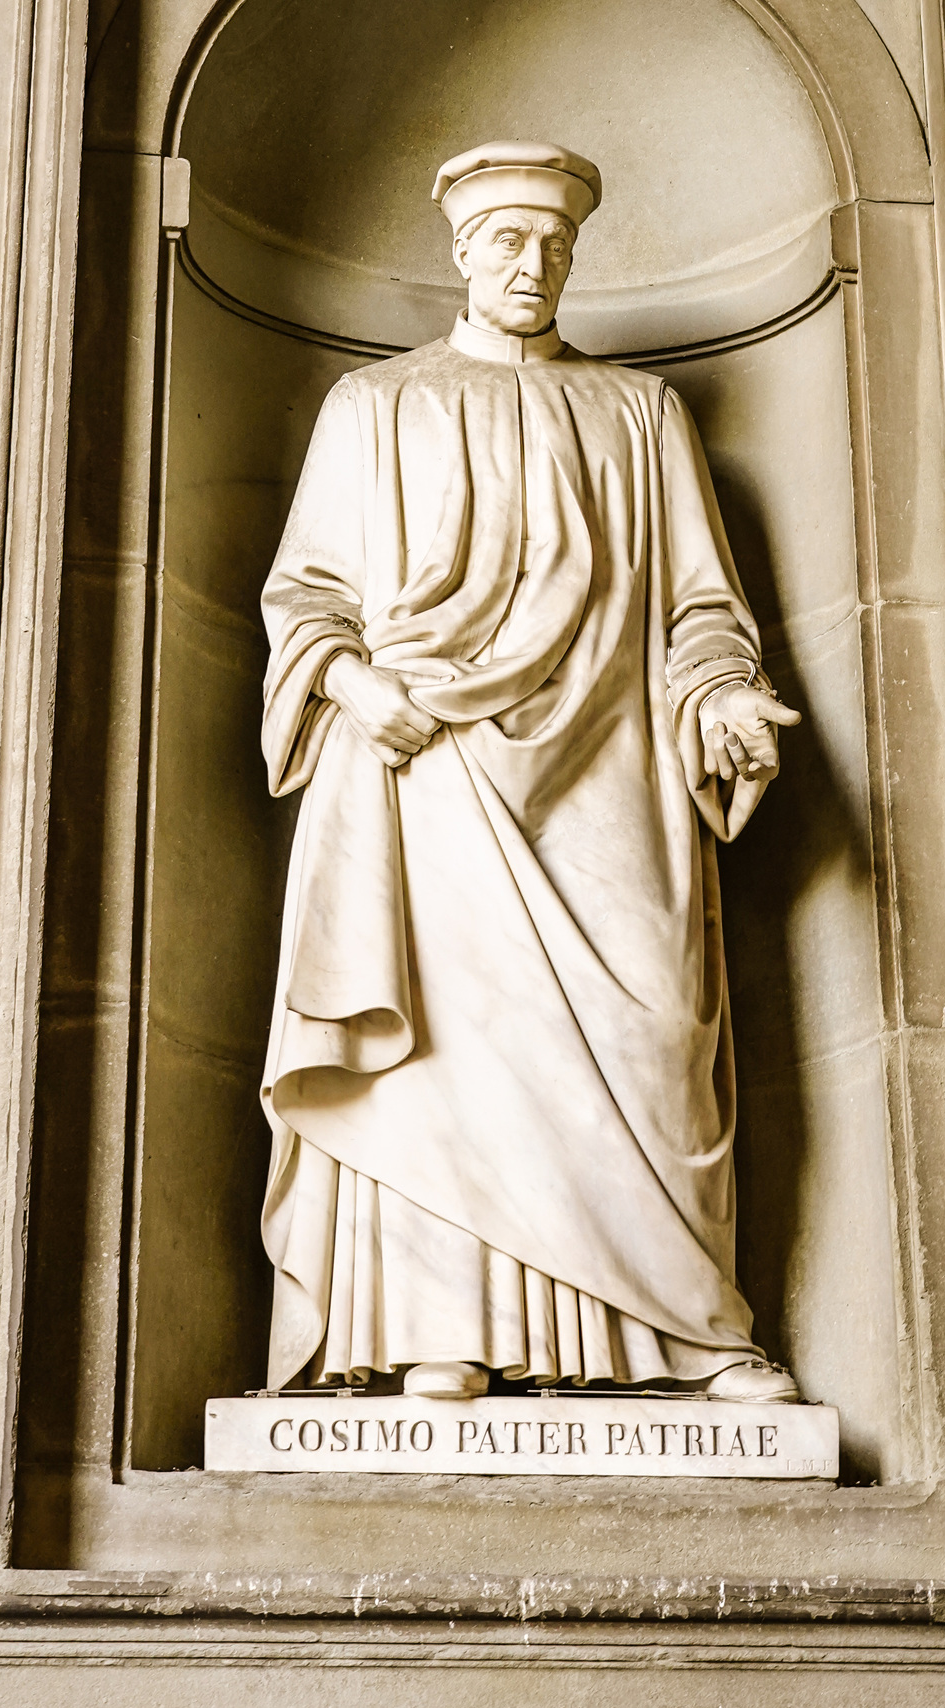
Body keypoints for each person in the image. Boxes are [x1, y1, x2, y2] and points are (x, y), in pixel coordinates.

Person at [257, 140, 801, 1403]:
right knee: (441, 1050)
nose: (531, 263)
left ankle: (684, 1334)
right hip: (425, 768)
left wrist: (723, 695)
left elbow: (699, 607)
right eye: (506, 240)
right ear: (462, 251)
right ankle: (434, 1324)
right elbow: (307, 594)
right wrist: (354, 686)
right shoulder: (374, 405)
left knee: (653, 1035)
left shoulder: (639, 414)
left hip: (614, 772)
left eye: (553, 243)